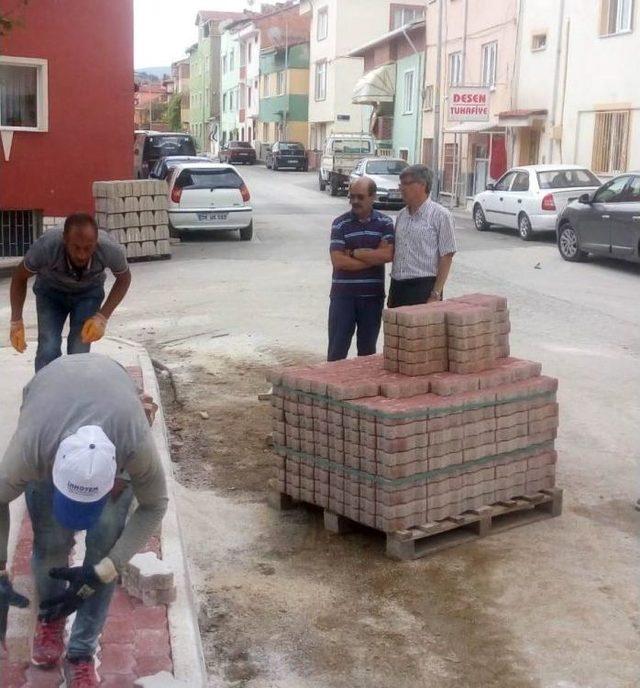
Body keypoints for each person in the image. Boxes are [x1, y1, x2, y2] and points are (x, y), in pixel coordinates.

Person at [0, 353, 168, 687]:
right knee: (50, 544)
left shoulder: (133, 442)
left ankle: (81, 651)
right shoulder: (32, 449)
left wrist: (107, 568)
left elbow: (155, 505)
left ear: (116, 475)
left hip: (113, 397)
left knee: (104, 546)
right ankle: (50, 619)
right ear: (50, 471)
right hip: (51, 395)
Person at [9, 213, 131, 372]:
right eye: (76, 248)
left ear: (96, 242)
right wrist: (16, 321)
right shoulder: (47, 246)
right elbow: (19, 276)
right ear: (65, 240)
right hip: (50, 293)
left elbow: (124, 279)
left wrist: (102, 317)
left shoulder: (109, 249)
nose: (81, 255)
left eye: (88, 248)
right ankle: (48, 392)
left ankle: (75, 392)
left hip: (88, 294)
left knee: (79, 350)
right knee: (48, 347)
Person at [328, 177, 395, 361]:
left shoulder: (385, 223)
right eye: (352, 197)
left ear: (373, 197)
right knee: (336, 352)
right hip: (343, 297)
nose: (355, 201)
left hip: (372, 299)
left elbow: (388, 255)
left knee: (367, 355)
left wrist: (353, 253)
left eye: (360, 197)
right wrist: (372, 258)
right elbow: (338, 261)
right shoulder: (339, 224)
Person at [389, 165, 457, 307]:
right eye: (400, 184)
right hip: (398, 288)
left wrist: (436, 294)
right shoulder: (402, 215)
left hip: (423, 288)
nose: (401, 188)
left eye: (406, 184)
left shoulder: (440, 215)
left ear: (422, 185)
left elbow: (447, 256)